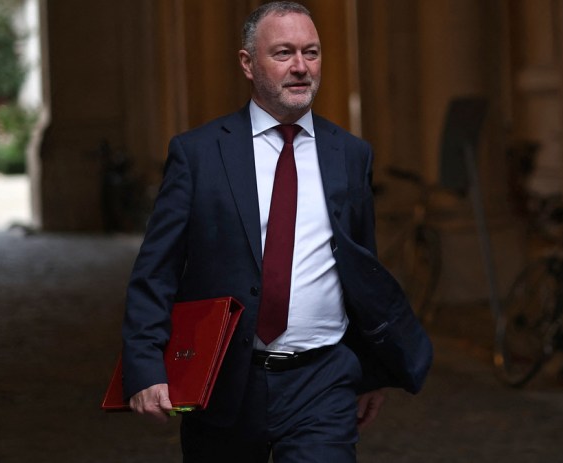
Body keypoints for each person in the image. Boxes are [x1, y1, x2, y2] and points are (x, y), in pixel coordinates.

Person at [120, 2, 432, 461]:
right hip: (224, 381)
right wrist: (145, 365)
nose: (301, 67)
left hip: (322, 382)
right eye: (284, 53)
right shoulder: (199, 154)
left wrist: (370, 371)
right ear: (248, 64)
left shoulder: (350, 154)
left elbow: (361, 271)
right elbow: (157, 270)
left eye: (312, 52)